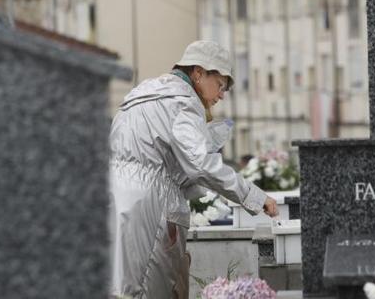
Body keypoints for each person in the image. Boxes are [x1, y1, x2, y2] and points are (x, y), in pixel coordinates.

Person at [109, 40, 279, 298]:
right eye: (220, 85)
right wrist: (254, 196)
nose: (221, 95)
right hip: (153, 208)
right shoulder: (183, 103)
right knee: (151, 291)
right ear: (198, 73)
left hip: (116, 202)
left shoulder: (140, 98)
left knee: (120, 288)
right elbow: (201, 163)